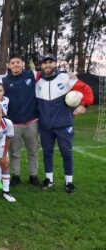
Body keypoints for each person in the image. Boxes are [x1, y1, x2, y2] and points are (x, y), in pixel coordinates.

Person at [36, 54, 94, 193]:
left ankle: (69, 182)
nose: (47, 65)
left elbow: (87, 90)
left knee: (66, 153)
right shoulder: (36, 81)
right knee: (47, 153)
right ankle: (49, 180)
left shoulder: (66, 78)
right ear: (41, 66)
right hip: (45, 126)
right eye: (45, 63)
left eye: (50, 62)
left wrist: (84, 105)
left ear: (55, 64)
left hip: (64, 125)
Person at [1, 55, 41, 187]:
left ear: (23, 64)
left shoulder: (31, 75)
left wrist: (67, 76)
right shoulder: (4, 81)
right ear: (9, 66)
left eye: (18, 62)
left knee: (33, 151)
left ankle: (33, 175)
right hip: (14, 124)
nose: (15, 64)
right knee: (14, 152)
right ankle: (16, 175)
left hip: (31, 121)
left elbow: (48, 75)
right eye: (12, 63)